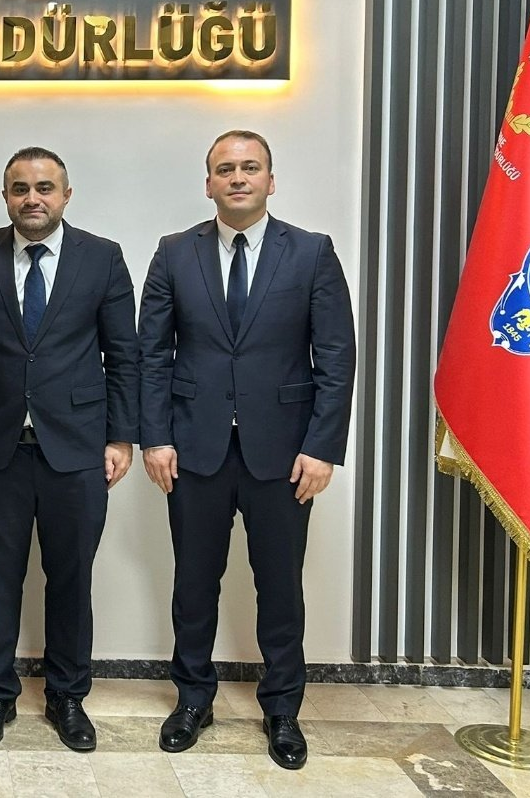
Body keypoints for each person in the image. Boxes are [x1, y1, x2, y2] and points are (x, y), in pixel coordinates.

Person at [137, 130, 355, 770]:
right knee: (193, 585)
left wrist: (322, 447)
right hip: (193, 449)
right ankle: (192, 700)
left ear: (270, 180)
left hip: (284, 455)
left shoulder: (311, 252)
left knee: (280, 588)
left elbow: (336, 357)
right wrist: (156, 437)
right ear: (208, 183)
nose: (238, 177)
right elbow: (152, 355)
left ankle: (282, 709)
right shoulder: (174, 252)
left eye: (250, 167)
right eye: (225, 169)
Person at [0, 147, 139, 752]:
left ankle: (67, 696)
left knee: (71, 579)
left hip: (78, 449)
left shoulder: (102, 257)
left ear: (66, 195)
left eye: (45, 188)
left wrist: (120, 436)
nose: (33, 198)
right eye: (20, 188)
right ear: (5, 196)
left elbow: (124, 356)